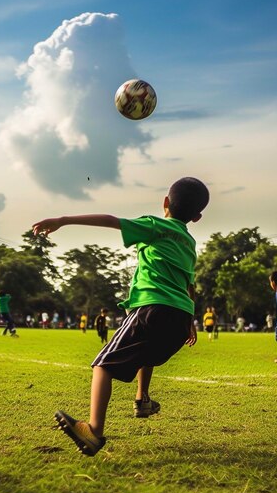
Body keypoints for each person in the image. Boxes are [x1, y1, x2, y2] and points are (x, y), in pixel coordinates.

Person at [32, 176, 209, 456]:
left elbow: (111, 220)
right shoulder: (189, 243)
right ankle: (142, 399)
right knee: (146, 354)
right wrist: (190, 321)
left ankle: (93, 431)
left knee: (102, 365)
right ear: (197, 217)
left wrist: (63, 219)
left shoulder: (155, 225)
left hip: (153, 308)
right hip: (179, 317)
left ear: (165, 203)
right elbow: (188, 286)